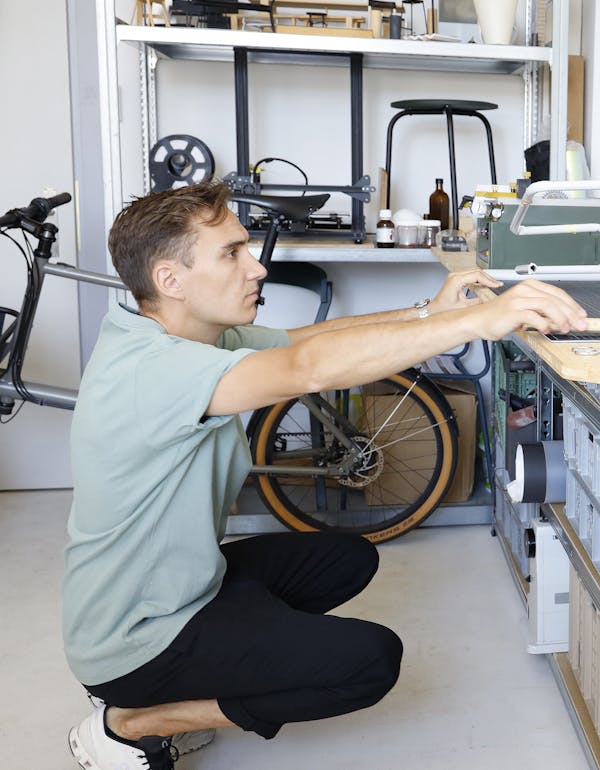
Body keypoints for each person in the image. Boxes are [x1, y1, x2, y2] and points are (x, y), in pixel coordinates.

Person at [63, 181, 588, 770]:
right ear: (170, 279)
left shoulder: (177, 331)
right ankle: (136, 719)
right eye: (231, 253)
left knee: (348, 557)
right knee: (369, 662)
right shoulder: (155, 370)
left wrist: (432, 312)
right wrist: (479, 322)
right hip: (134, 636)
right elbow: (307, 368)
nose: (256, 266)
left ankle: (210, 659)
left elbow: (306, 339)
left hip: (178, 589)